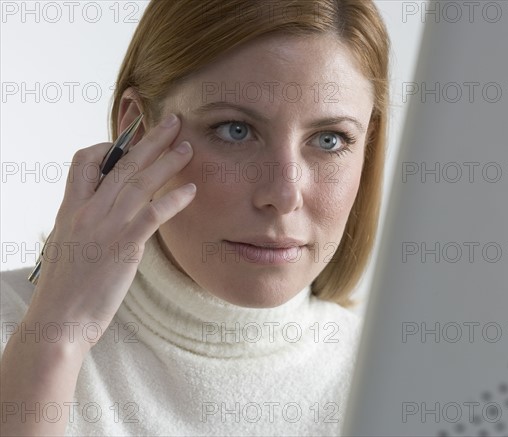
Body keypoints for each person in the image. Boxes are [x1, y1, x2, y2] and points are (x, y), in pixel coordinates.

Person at [0, 0, 390, 435]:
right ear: (138, 131)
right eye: (235, 130)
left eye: (330, 139)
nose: (283, 195)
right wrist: (54, 342)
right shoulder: (13, 327)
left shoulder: (406, 383)